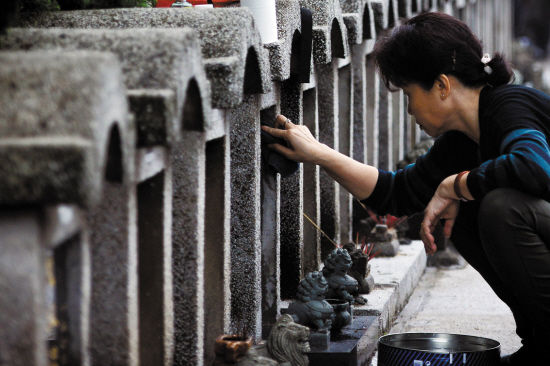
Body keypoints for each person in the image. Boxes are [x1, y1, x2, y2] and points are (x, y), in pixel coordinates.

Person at [262, 12, 550, 365]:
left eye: (409, 93)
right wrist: (318, 153)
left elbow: (533, 166)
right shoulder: (461, 140)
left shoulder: (510, 106)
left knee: (500, 207)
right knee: (463, 213)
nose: (411, 109)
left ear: (442, 86)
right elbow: (394, 193)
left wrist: (455, 185)